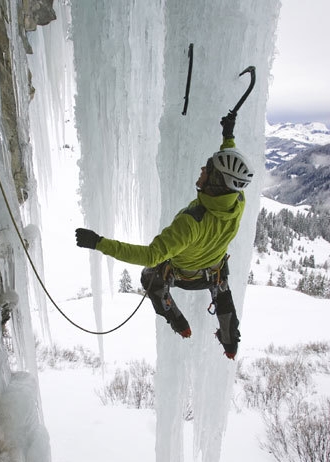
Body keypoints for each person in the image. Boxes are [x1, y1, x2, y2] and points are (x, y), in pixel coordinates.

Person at [75, 115, 253, 359]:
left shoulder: (192, 222)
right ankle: (230, 342)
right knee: (223, 294)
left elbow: (150, 255)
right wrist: (228, 136)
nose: (203, 169)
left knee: (150, 276)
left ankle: (177, 321)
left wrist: (99, 243)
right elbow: (228, 166)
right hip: (215, 272)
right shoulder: (238, 202)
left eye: (208, 168)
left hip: (185, 277)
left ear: (216, 181)